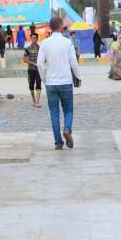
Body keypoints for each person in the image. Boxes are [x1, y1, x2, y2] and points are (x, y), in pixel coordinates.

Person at [37, 17, 82, 150]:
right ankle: (67, 129)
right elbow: (74, 63)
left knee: (54, 112)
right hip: (66, 81)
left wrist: (44, 79)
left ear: (50, 27)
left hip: (51, 83)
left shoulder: (44, 43)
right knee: (68, 109)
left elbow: (40, 64)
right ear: (61, 27)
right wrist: (78, 77)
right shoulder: (68, 43)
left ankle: (58, 142)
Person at [23, 33, 42, 108]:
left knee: (38, 85)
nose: (33, 39)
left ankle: (37, 102)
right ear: (31, 39)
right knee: (31, 86)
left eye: (35, 38)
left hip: (38, 70)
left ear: (37, 39)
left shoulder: (40, 48)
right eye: (32, 38)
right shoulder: (27, 48)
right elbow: (24, 59)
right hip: (30, 70)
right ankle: (33, 99)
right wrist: (33, 63)